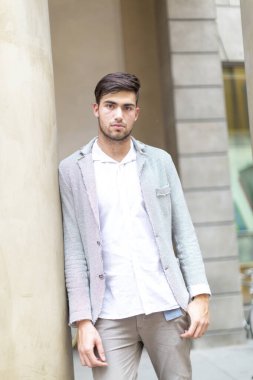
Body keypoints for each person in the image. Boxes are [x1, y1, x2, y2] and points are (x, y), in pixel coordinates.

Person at [59, 72, 211, 380]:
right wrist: (83, 322)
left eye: (127, 107)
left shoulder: (159, 162)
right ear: (95, 109)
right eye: (110, 105)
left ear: (136, 113)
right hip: (110, 315)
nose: (118, 115)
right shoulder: (72, 169)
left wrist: (200, 298)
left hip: (166, 306)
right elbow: (74, 250)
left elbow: (183, 232)